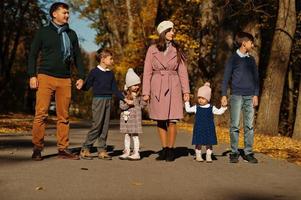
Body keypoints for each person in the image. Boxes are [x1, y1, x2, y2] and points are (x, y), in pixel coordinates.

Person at [28, 2, 85, 161]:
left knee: (64, 116)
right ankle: (37, 148)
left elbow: (78, 57)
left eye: (68, 13)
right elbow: (33, 54)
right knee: (41, 114)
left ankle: (63, 149)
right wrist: (32, 75)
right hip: (45, 77)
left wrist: (81, 76)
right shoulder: (43, 32)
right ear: (54, 14)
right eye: (64, 13)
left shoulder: (71, 34)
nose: (67, 15)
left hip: (65, 79)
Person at [142, 20, 190, 162]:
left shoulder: (177, 49)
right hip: (157, 85)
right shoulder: (152, 49)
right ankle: (163, 149)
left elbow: (183, 71)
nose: (173, 33)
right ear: (163, 32)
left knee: (172, 120)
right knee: (160, 120)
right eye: (170, 30)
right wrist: (146, 92)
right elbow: (147, 71)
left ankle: (170, 149)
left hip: (173, 84)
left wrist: (186, 90)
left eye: (173, 30)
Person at [79, 48, 131, 160]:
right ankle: (85, 148)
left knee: (105, 127)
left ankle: (102, 150)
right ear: (103, 59)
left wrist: (125, 99)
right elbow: (87, 86)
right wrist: (81, 85)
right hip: (98, 101)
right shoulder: (94, 72)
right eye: (110, 58)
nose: (112, 61)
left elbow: (115, 90)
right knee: (97, 125)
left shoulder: (110, 74)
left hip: (108, 101)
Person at [221, 31, 259, 164]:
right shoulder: (233, 59)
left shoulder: (251, 60)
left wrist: (256, 94)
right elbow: (226, 78)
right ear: (244, 43)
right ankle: (234, 152)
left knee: (249, 126)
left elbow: (256, 79)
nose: (252, 45)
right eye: (250, 42)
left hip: (250, 96)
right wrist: (223, 95)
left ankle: (248, 152)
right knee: (235, 125)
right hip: (236, 96)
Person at [185, 83, 227, 162]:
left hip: (209, 128)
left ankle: (208, 156)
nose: (200, 100)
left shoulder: (211, 107)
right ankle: (198, 155)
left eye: (203, 98)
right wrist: (187, 102)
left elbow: (219, 112)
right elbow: (188, 109)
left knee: (209, 143)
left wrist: (223, 107)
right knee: (198, 143)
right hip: (199, 128)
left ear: (208, 99)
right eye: (199, 98)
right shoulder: (196, 107)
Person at [119, 68, 147, 160]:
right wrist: (128, 103)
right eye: (134, 85)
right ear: (129, 85)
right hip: (126, 120)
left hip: (135, 120)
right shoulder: (124, 95)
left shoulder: (139, 95)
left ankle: (136, 152)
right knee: (127, 135)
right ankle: (127, 151)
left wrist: (145, 100)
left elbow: (142, 106)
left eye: (137, 85)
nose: (136, 87)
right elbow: (121, 107)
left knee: (135, 136)